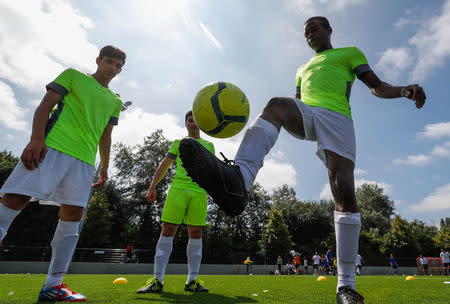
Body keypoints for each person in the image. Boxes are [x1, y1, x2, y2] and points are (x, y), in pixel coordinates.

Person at [178, 16, 425, 304]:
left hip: (337, 119)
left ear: (329, 30)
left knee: (343, 191)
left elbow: (377, 86)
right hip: (308, 113)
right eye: (306, 33)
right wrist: (296, 115)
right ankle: (239, 182)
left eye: (314, 29)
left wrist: (404, 91)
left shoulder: (350, 53)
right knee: (276, 105)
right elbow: (297, 101)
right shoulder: (301, 69)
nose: (309, 35)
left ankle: (346, 286)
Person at [0, 45, 126, 302]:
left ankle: (53, 285)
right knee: (15, 200)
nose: (112, 68)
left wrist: (104, 166)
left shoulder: (115, 101)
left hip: (83, 162)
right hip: (52, 147)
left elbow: (106, 135)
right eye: (109, 62)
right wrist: (36, 139)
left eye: (118, 65)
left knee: (73, 216)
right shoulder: (73, 76)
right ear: (98, 60)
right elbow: (45, 105)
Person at [136, 111, 214, 294]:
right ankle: (157, 281)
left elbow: (212, 172)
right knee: (168, 229)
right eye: (189, 120)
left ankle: (192, 281)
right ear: (185, 124)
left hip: (199, 192)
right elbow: (164, 165)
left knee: (196, 232)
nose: (192, 122)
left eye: (195, 119)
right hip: (177, 189)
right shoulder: (178, 143)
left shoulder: (209, 145)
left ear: (200, 123)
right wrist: (152, 186)